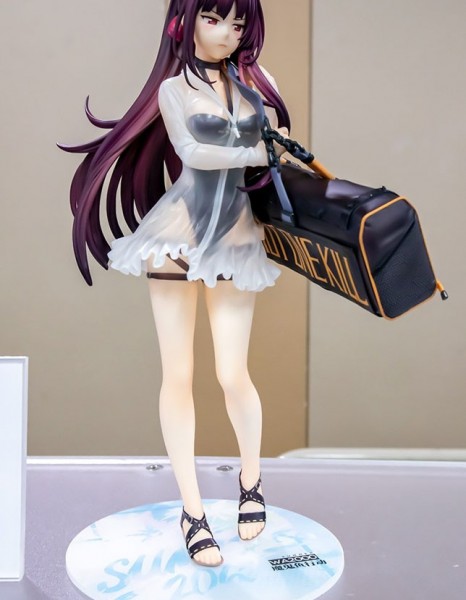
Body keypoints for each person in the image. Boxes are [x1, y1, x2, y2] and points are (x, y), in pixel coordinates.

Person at [61, 0, 290, 567]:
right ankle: (193, 511)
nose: (228, 32)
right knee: (179, 374)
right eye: (215, 18)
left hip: (235, 235)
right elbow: (193, 153)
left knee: (232, 373)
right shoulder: (174, 89)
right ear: (183, 22)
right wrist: (264, 149)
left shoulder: (258, 83)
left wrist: (280, 145)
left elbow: (281, 149)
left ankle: (252, 482)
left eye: (239, 23)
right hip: (178, 234)